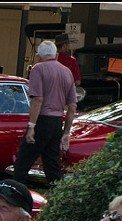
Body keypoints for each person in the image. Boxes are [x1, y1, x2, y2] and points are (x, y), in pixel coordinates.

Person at [12, 40, 76, 186]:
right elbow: (72, 106)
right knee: (52, 165)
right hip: (57, 121)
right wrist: (66, 133)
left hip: (42, 119)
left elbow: (38, 100)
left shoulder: (38, 69)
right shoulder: (67, 71)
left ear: (40, 56)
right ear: (56, 54)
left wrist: (31, 126)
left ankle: (15, 198)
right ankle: (59, 199)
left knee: (22, 162)